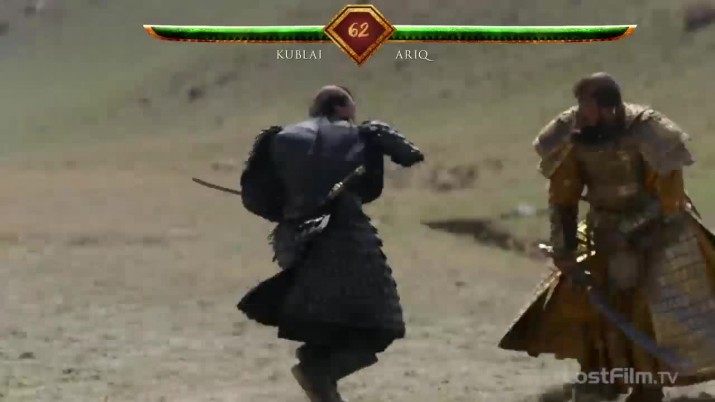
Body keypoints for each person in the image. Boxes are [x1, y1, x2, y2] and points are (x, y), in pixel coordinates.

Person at [499, 72, 715, 402]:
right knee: (582, 299)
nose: (581, 113)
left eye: (588, 105)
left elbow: (668, 199)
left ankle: (647, 385)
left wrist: (628, 233)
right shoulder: (572, 132)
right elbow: (563, 196)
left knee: (648, 305)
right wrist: (564, 248)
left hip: (660, 228)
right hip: (602, 226)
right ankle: (601, 377)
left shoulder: (648, 130)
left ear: (609, 107)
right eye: (579, 104)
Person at [236, 85, 424, 402]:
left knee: (326, 311)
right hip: (348, 237)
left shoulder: (279, 138)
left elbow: (257, 197)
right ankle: (318, 370)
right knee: (382, 324)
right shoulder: (363, 134)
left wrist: (294, 211)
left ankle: (318, 368)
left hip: (296, 241)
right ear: (341, 108)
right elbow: (391, 171)